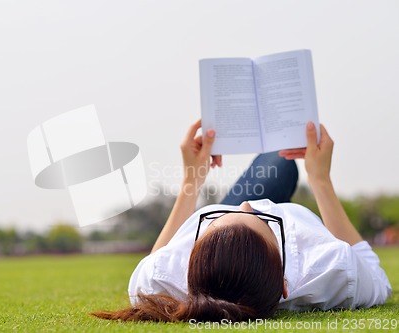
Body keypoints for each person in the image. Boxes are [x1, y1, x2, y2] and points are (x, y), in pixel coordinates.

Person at [92, 120, 392, 322]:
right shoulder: (332, 266)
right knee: (280, 162)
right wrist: (320, 179)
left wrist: (192, 179)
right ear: (285, 284)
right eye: (264, 219)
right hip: (275, 254)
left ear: (190, 265)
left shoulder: (164, 276)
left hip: (233, 257)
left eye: (217, 216)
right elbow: (374, 273)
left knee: (276, 164)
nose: (246, 202)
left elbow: (156, 258)